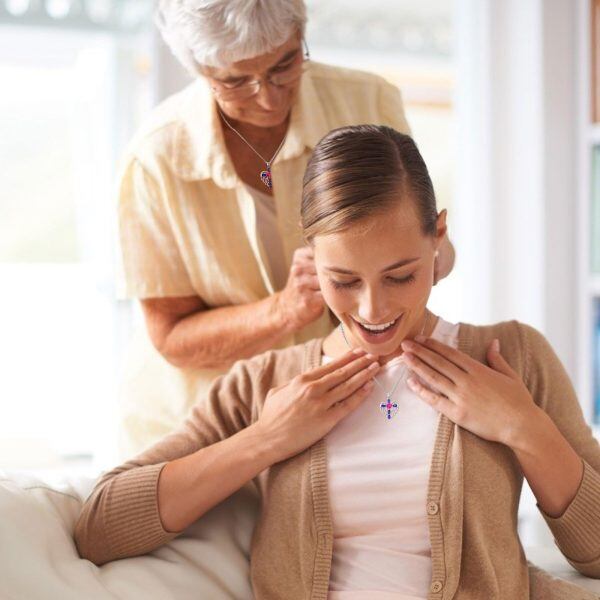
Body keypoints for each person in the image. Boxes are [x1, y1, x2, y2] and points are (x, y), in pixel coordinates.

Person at [74, 125, 594, 599]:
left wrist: (523, 427)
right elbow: (100, 526)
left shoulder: (512, 357)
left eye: (400, 276)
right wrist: (266, 439)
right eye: (343, 281)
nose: (373, 311)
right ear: (312, 259)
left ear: (438, 237)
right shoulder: (265, 385)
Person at [117, 0, 455, 456]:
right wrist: (286, 310)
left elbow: (430, 247)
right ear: (199, 69)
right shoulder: (157, 158)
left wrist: (414, 261)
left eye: (285, 64)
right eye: (236, 80)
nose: (269, 97)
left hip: (337, 417)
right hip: (202, 428)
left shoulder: (368, 101)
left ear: (301, 35)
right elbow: (172, 338)